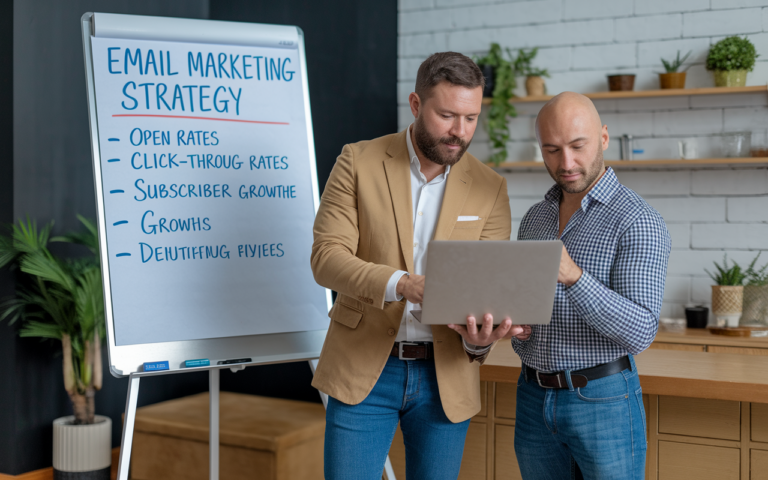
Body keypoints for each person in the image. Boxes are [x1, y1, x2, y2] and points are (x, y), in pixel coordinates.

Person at [310, 52, 527, 479]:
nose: (459, 132)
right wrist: (403, 284)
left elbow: (485, 287)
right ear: (415, 104)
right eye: (447, 115)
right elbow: (327, 258)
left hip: (445, 376)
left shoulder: (490, 187)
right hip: (363, 366)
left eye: (471, 118)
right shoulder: (358, 161)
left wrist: (483, 338)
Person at [509, 92, 671, 479]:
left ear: (603, 138)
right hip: (533, 396)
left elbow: (640, 332)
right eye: (551, 150)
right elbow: (527, 313)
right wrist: (517, 329)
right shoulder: (534, 219)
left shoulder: (638, 220)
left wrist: (574, 277)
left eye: (577, 146)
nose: (565, 163)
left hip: (604, 400)